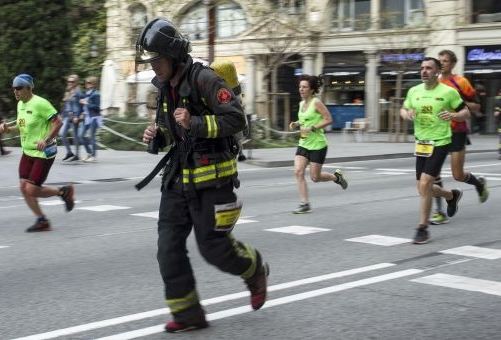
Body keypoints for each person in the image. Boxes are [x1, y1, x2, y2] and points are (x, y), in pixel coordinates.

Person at [135, 17, 268, 333]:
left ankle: (254, 270)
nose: (153, 66)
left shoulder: (205, 79)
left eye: (157, 59)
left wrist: (194, 123)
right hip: (177, 181)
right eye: (150, 61)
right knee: (167, 249)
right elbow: (172, 132)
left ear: (173, 54)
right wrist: (158, 136)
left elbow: (237, 120)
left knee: (215, 249)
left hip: (213, 182)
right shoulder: (165, 87)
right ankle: (188, 314)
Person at [400, 57, 470, 244]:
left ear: (437, 71)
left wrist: (454, 115)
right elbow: (404, 108)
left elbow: (466, 113)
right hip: (422, 143)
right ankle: (451, 195)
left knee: (425, 183)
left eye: (429, 68)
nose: (424, 71)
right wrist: (407, 114)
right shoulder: (413, 91)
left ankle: (423, 228)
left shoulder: (448, 92)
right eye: (422, 68)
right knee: (422, 188)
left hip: (440, 141)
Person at [0, 74, 75, 232]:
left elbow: (58, 122)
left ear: (29, 88)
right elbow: (22, 125)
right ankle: (42, 220)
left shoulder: (40, 103)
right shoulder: (20, 105)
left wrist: (45, 140)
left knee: (31, 189)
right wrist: (8, 129)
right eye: (13, 88)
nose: (15, 91)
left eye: (19, 88)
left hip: (43, 152)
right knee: (23, 187)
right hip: (28, 152)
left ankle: (63, 192)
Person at [429, 49, 489, 226]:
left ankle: (478, 184)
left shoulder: (461, 82)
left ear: (453, 64)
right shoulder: (433, 83)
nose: (442, 64)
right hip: (436, 132)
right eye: (439, 61)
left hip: (457, 131)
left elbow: (476, 106)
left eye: (445, 61)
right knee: (433, 173)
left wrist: (457, 104)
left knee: (458, 174)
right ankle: (439, 211)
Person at [288, 74, 348, 214]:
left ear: (312, 89)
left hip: (318, 145)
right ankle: (305, 204)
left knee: (315, 177)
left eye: (305, 87)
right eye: (300, 87)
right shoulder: (301, 104)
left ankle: (336, 177)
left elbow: (329, 119)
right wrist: (296, 124)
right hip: (304, 143)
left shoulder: (317, 103)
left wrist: (313, 128)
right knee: (298, 171)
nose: (301, 89)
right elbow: (304, 121)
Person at [210, 59, 248, 162]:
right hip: (232, 130)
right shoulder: (235, 93)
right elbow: (240, 109)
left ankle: (239, 153)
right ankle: (240, 153)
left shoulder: (218, 92)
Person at [78, 76, 101, 162]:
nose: (86, 84)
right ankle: (89, 153)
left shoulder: (96, 94)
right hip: (86, 118)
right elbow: (85, 108)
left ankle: (93, 156)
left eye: (89, 83)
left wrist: (87, 103)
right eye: (86, 82)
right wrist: (83, 112)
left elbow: (97, 108)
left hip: (94, 118)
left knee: (92, 137)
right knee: (81, 136)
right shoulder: (87, 93)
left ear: (93, 84)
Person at [60, 74, 83, 162]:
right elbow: (66, 105)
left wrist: (79, 116)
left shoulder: (79, 93)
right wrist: (62, 116)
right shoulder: (68, 92)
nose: (70, 83)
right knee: (62, 133)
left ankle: (77, 155)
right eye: (69, 81)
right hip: (67, 116)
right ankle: (69, 152)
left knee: (75, 136)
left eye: (72, 81)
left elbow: (82, 105)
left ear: (76, 83)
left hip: (75, 117)